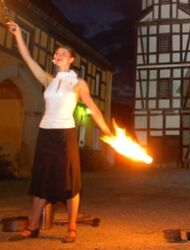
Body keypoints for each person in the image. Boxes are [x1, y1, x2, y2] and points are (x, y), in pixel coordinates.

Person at [6, 21, 112, 243]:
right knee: (40, 181)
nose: (58, 55)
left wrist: (107, 131)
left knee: (69, 182)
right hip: (46, 133)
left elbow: (93, 108)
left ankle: (72, 227)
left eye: (63, 53)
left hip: (65, 136)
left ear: (71, 59)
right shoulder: (48, 79)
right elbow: (27, 59)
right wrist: (17, 35)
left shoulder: (78, 83)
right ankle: (33, 226)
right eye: (56, 53)